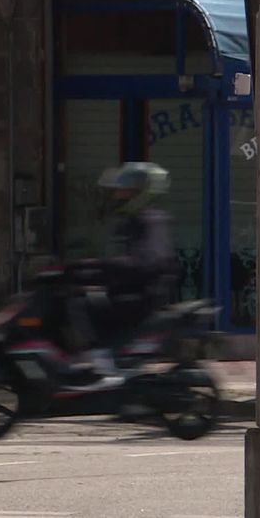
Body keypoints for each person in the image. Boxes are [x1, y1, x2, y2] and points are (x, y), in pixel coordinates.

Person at [69, 162, 178, 384]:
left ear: (140, 191)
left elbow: (145, 261)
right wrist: (88, 268)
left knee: (82, 303)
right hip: (133, 288)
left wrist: (103, 265)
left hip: (142, 294)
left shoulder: (150, 219)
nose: (118, 194)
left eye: (125, 189)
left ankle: (103, 364)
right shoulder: (135, 219)